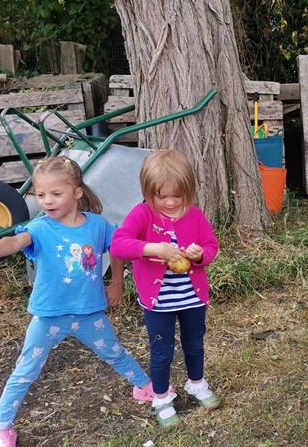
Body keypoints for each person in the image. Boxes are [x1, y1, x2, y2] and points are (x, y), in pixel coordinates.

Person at [0, 157, 155, 447]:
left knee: (115, 353)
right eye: (41, 194)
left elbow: (118, 250)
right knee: (25, 371)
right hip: (48, 316)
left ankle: (146, 388)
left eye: (56, 194)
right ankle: (1, 428)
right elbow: (15, 241)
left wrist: (116, 282)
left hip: (89, 313)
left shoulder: (97, 225)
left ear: (77, 192)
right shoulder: (40, 227)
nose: (47, 201)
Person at [110, 149, 221, 428]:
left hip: (192, 299)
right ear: (148, 192)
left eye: (178, 196)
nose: (171, 202)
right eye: (162, 196)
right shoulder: (143, 214)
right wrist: (150, 247)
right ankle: (160, 398)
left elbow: (211, 246)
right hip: (158, 303)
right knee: (162, 350)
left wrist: (198, 255)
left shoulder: (194, 215)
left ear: (189, 191)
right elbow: (118, 244)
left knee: (194, 344)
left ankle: (196, 383)